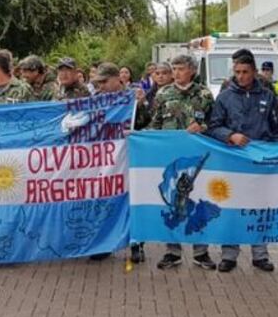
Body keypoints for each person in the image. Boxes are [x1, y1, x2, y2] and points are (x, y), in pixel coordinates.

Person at [207, 50, 278, 272]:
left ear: (254, 72)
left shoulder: (268, 96)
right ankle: (229, 255)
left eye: (245, 72)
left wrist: (270, 150)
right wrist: (230, 135)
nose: (241, 76)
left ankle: (260, 255)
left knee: (259, 208)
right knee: (231, 207)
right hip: (233, 161)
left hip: (260, 163)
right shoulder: (224, 97)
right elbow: (214, 126)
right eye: (237, 72)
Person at [152, 54, 217, 271]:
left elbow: (215, 123)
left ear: (191, 70)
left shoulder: (204, 94)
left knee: (198, 201)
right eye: (174, 69)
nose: (176, 73)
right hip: (170, 158)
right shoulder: (163, 94)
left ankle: (201, 251)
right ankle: (172, 251)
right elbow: (156, 124)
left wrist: (204, 128)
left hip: (197, 159)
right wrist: (137, 137)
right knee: (172, 202)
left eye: (180, 68)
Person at [86, 62, 144, 263]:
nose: (100, 86)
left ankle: (136, 244)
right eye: (97, 82)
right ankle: (104, 243)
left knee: (133, 201)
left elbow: (148, 122)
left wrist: (142, 105)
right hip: (105, 160)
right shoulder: (95, 100)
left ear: (116, 78)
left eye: (104, 81)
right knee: (104, 201)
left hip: (130, 156)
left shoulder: (133, 97)